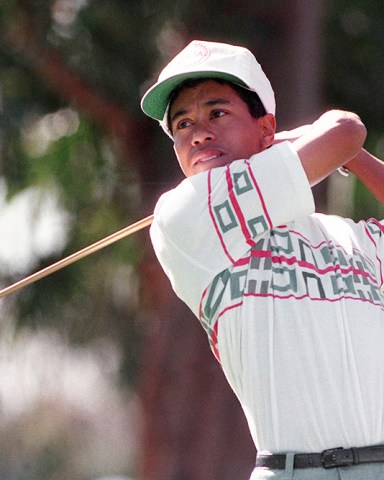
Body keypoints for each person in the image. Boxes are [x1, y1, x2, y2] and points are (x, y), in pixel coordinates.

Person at [140, 40, 384, 479]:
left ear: (267, 129)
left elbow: (348, 142)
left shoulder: (349, 237)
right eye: (182, 123)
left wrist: (354, 159)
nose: (198, 132)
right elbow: (348, 129)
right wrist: (333, 135)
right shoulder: (184, 215)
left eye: (217, 113)